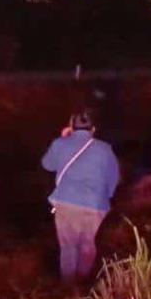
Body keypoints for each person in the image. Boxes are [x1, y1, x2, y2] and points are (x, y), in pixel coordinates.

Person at [41, 111, 120, 284]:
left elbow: (47, 165)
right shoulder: (105, 149)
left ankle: (68, 288)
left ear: (71, 127)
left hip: (66, 201)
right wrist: (106, 196)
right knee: (87, 244)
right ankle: (83, 283)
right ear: (93, 129)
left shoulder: (60, 144)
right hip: (96, 205)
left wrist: (62, 138)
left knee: (68, 247)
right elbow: (113, 176)